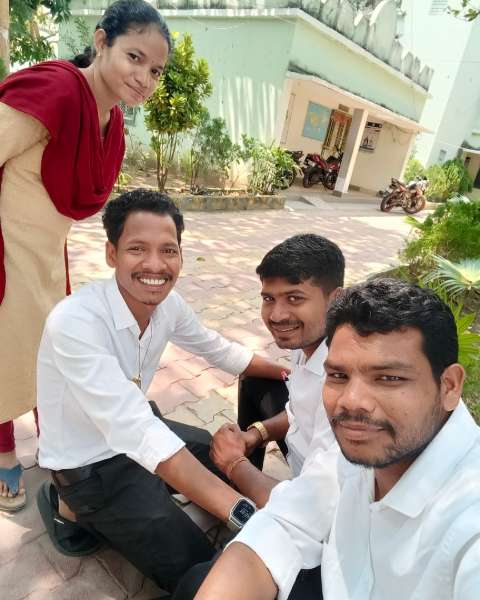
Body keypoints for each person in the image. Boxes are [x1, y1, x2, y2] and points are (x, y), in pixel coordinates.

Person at [36, 189, 285, 593]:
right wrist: (245, 513)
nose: (155, 265)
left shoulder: (168, 306)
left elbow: (217, 348)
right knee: (199, 568)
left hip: (140, 430)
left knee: (220, 458)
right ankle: (68, 507)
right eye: (137, 249)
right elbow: (138, 430)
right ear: (112, 254)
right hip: (92, 464)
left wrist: (285, 372)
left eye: (168, 250)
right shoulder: (75, 321)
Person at [188, 279, 480, 600]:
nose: (351, 401)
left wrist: (235, 463)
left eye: (388, 378)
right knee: (197, 580)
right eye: (339, 376)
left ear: (449, 386)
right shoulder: (363, 444)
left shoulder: (467, 522)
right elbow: (288, 519)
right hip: (335, 579)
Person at [0, 0, 171, 511]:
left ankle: (61, 451)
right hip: (6, 250)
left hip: (50, 256)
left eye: (156, 70)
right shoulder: (55, 90)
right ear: (101, 42)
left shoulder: (112, 122)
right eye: (134, 57)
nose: (144, 78)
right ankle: (4, 453)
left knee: (51, 352)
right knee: (6, 350)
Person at [210, 234, 344, 507]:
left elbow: (314, 505)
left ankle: (249, 498)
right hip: (300, 451)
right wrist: (255, 435)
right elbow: (297, 411)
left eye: (294, 298)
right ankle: (250, 483)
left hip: (320, 502)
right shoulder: (307, 340)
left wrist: (233, 463)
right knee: (255, 380)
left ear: (335, 300)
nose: (277, 315)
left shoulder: (344, 386)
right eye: (269, 298)